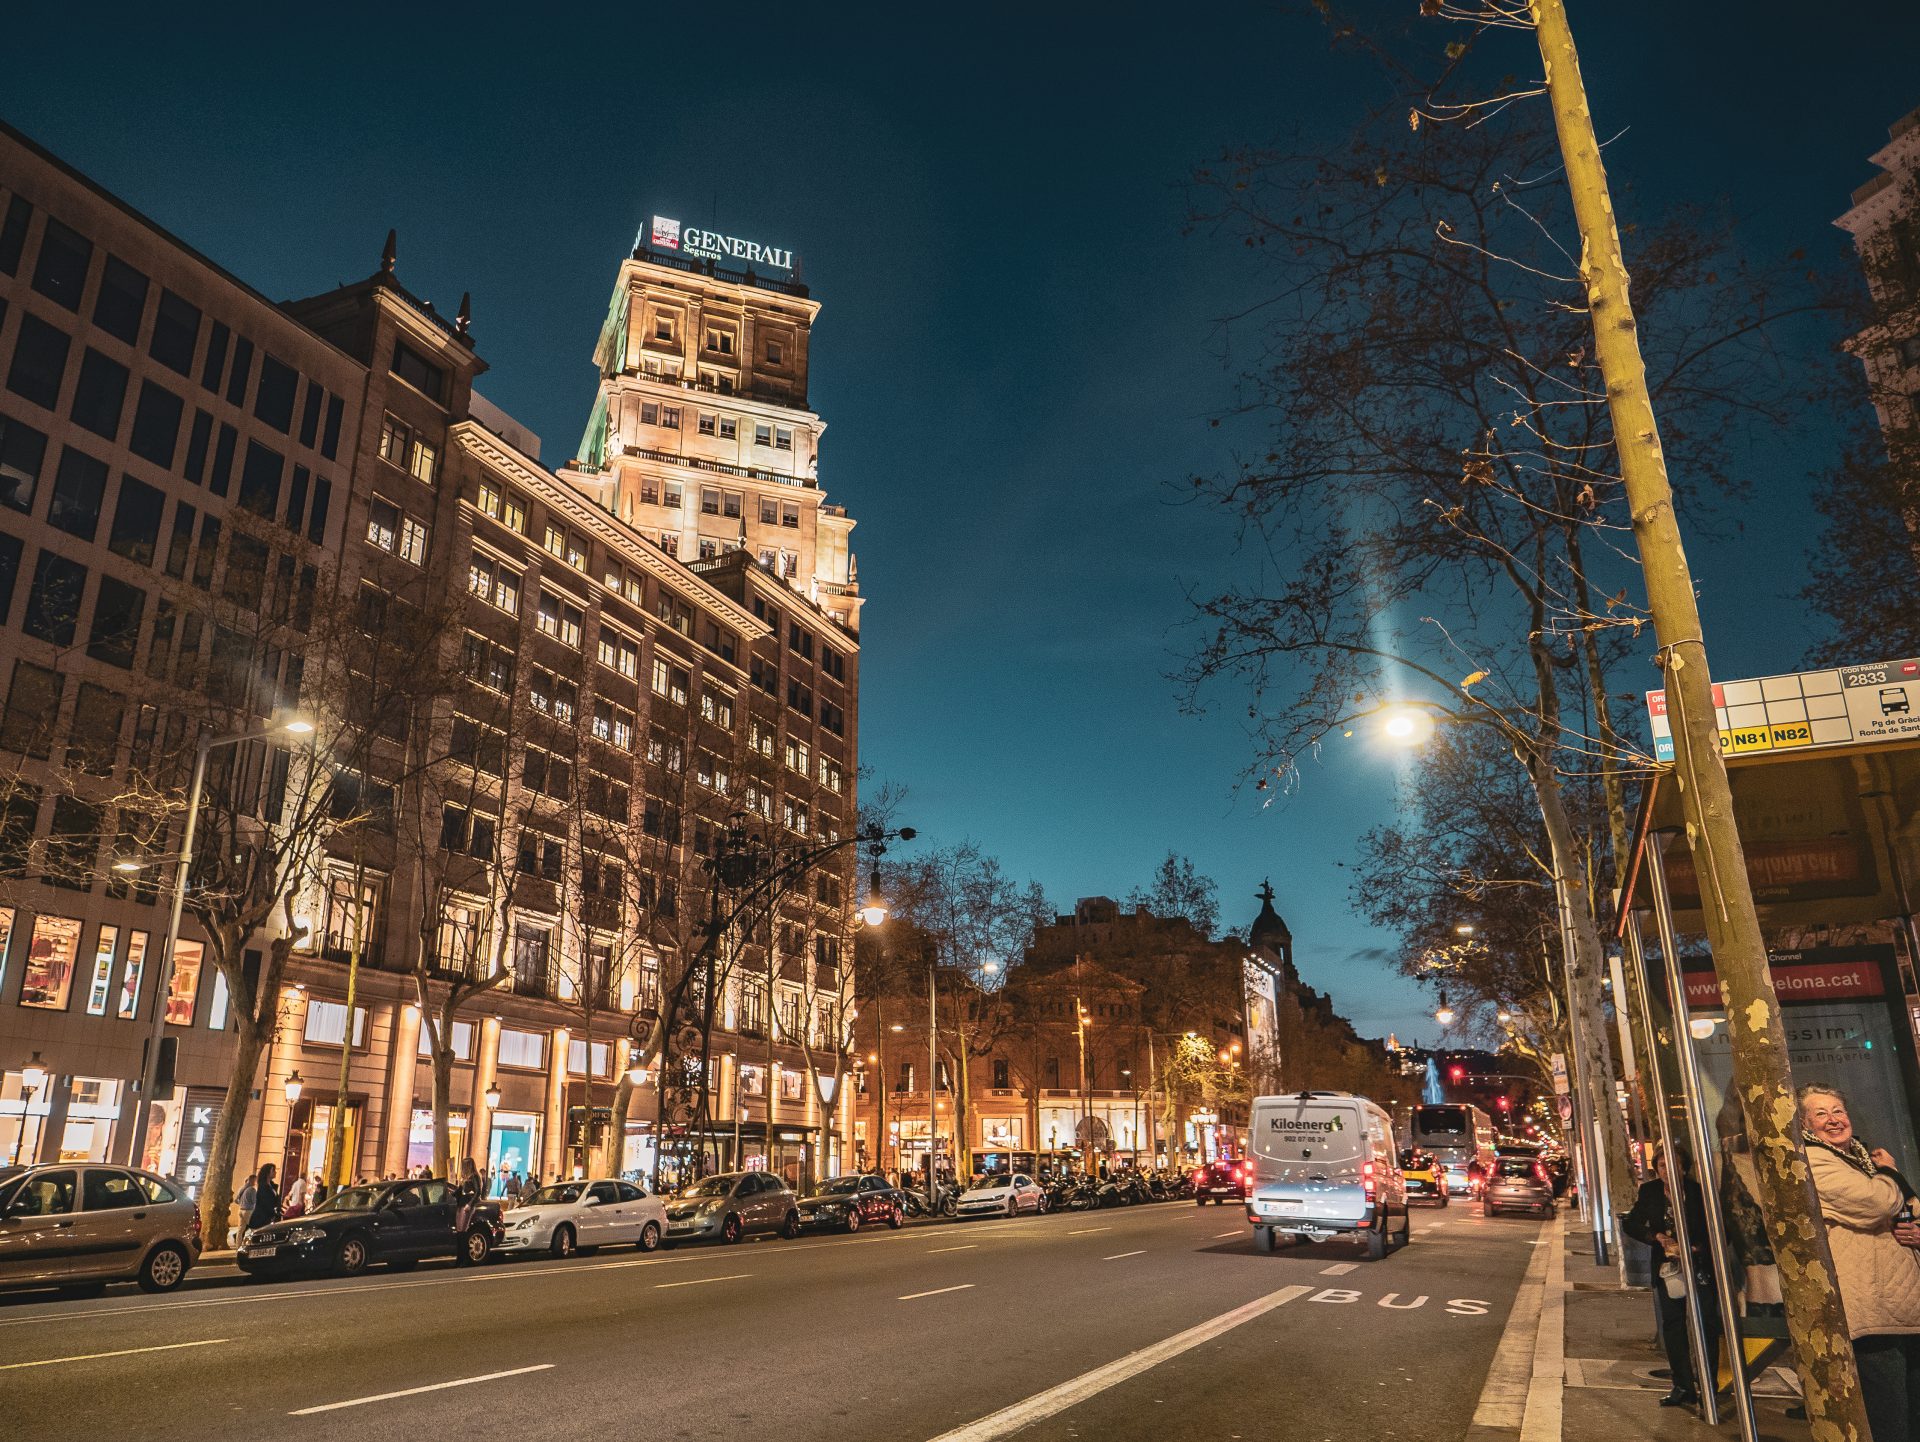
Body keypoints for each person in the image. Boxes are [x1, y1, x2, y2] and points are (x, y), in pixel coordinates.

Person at [1798, 1084, 1920, 1442]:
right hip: (1872, 1313)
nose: (1834, 1120)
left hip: (1907, 1308)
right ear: (1805, 1125)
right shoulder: (1815, 1162)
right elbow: (1877, 1203)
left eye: (1838, 1110)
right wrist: (1891, 1173)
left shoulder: (1864, 1159)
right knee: (1890, 1422)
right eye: (1821, 1114)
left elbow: (1910, 1206)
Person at [1622, 1146, 1721, 1409]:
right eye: (1662, 1165)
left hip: (1699, 1265)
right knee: (1673, 1326)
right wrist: (1657, 1237)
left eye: (1673, 1164)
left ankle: (1710, 1383)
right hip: (1668, 1268)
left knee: (1707, 1323)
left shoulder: (1699, 1192)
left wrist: (1696, 1247)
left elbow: (1717, 1229)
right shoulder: (1650, 1191)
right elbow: (1630, 1223)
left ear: (1684, 1167)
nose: (1667, 1170)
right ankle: (1683, 1386)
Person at [246, 1163, 281, 1236]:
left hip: (269, 1217)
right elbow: (264, 1202)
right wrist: (273, 1212)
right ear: (268, 1173)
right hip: (262, 1217)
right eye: (273, 1170)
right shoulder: (263, 1186)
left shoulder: (272, 1186)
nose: (275, 1172)